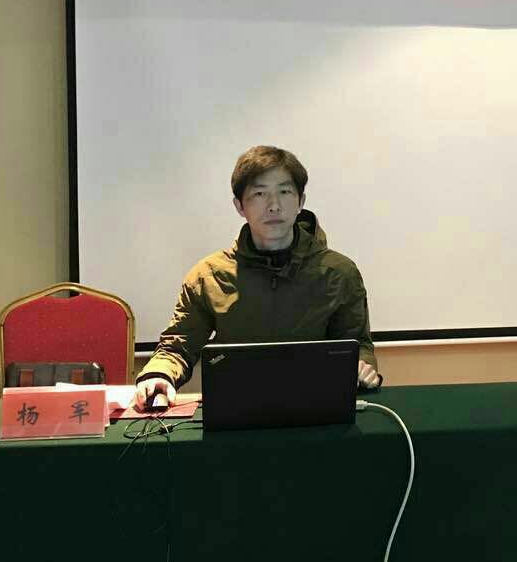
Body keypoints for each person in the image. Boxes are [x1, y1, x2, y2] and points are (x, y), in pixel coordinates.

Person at [134, 146, 380, 410]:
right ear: (239, 206)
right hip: (235, 410)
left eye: (285, 192)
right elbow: (178, 345)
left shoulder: (338, 272)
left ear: (301, 201)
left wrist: (362, 365)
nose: (274, 206)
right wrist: (158, 374)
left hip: (317, 409)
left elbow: (356, 343)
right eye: (260, 194)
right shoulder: (209, 276)